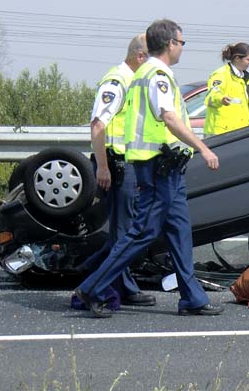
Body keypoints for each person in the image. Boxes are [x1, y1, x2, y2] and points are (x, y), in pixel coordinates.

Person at [74, 19, 223, 318]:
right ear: (170, 43)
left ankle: (192, 297)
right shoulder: (156, 74)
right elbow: (169, 117)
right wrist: (202, 147)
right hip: (157, 168)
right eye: (181, 42)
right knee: (141, 233)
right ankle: (93, 288)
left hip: (168, 168)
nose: (182, 47)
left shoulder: (146, 73)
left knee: (180, 232)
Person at [76, 33, 154, 308]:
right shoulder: (117, 80)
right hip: (116, 164)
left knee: (125, 230)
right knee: (125, 231)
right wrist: (104, 168)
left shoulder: (131, 79)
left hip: (124, 163)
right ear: (140, 56)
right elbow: (98, 125)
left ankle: (112, 280)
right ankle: (105, 286)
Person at [203, 42, 249, 136]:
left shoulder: (244, 79)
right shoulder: (221, 74)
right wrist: (221, 99)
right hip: (219, 134)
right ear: (237, 58)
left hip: (238, 132)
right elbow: (211, 97)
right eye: (248, 59)